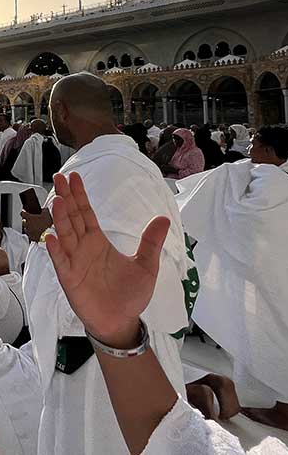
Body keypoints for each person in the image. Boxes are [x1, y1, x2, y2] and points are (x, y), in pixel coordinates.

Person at [0, 179, 286, 455]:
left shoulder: (21, 259)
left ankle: (200, 387)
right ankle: (200, 385)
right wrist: (118, 334)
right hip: (112, 340)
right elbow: (173, 442)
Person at [19, 73, 193, 455]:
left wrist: (42, 237)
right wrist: (49, 228)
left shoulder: (98, 170)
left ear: (60, 111)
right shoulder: (129, 165)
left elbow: (92, 276)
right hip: (134, 351)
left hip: (103, 360)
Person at [176, 126, 288, 433]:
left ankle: (286, 412)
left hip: (275, 276)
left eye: (254, 145)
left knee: (278, 336)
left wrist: (228, 186)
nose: (248, 150)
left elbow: (250, 227)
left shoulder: (271, 182)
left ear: (268, 151)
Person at [10, 119, 50, 185]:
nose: (29, 128)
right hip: (49, 181)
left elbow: (21, 167)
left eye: (30, 126)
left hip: (43, 180)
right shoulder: (51, 141)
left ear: (35, 128)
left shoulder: (30, 142)